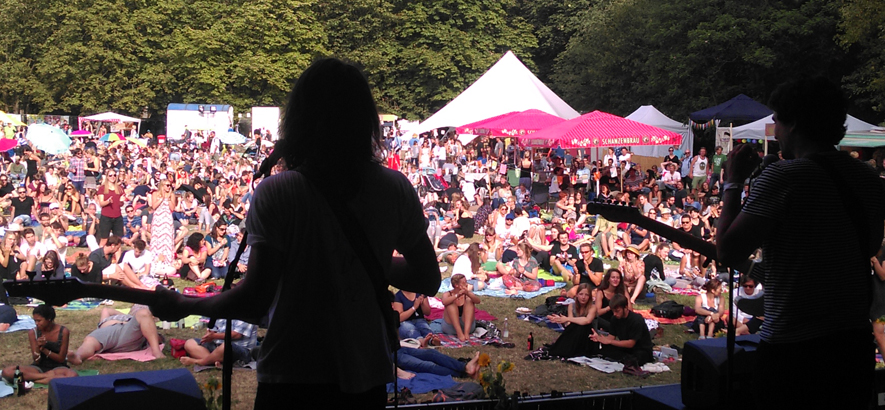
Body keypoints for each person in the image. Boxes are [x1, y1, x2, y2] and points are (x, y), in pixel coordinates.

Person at [148, 58, 441, 409]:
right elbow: (428, 276)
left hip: (293, 376)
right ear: (365, 119)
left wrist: (185, 304)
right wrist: (371, 259)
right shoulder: (395, 188)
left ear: (300, 118)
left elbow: (255, 299)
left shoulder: (278, 192)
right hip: (367, 375)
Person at [717, 77, 885, 409]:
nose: (774, 130)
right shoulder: (869, 179)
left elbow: (727, 251)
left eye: (776, 120)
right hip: (852, 345)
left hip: (794, 348)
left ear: (793, 123)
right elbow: (869, 246)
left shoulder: (786, 177)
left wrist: (733, 182)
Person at [1, 305, 77, 384]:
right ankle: (45, 378)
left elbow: (61, 359)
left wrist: (45, 349)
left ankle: (32, 379)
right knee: (7, 371)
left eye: (39, 321)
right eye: (35, 321)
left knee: (72, 375)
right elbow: (37, 360)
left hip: (58, 367)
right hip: (38, 368)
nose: (36, 323)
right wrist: (37, 348)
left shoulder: (63, 331)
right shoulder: (33, 332)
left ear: (49, 319)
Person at [67, 305, 165, 364]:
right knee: (91, 341)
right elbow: (106, 310)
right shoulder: (119, 317)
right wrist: (123, 316)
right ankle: (78, 356)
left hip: (127, 332)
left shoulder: (138, 320)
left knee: (143, 313)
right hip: (107, 331)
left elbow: (156, 336)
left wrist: (129, 319)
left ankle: (156, 352)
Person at [589, 294, 653, 365]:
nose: (615, 314)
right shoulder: (614, 319)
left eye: (617, 311)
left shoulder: (636, 320)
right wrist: (600, 338)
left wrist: (609, 341)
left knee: (638, 357)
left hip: (640, 349)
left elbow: (631, 343)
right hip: (625, 349)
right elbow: (611, 337)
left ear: (625, 307)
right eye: (613, 311)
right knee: (605, 349)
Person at [180, 319, 258, 367]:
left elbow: (237, 335)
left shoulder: (247, 311)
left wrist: (214, 336)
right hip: (217, 346)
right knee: (190, 343)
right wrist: (209, 335)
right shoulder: (222, 309)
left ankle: (199, 361)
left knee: (225, 346)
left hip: (240, 349)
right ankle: (214, 361)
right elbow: (212, 328)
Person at [547, 283, 597, 358]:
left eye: (586, 295)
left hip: (588, 335)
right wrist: (561, 320)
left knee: (581, 326)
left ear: (589, 297)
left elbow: (587, 320)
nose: (583, 297)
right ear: (576, 295)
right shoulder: (572, 305)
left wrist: (567, 318)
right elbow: (570, 324)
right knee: (574, 327)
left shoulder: (592, 307)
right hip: (575, 332)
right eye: (581, 294)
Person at [441, 273, 481, 342]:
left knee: (469, 301)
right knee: (450, 303)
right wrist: (457, 295)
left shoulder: (468, 294)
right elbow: (444, 302)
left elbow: (478, 301)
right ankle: (459, 333)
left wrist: (467, 293)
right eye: (464, 282)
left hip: (466, 325)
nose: (466, 284)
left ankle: (466, 333)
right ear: (456, 285)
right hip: (451, 327)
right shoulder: (447, 294)